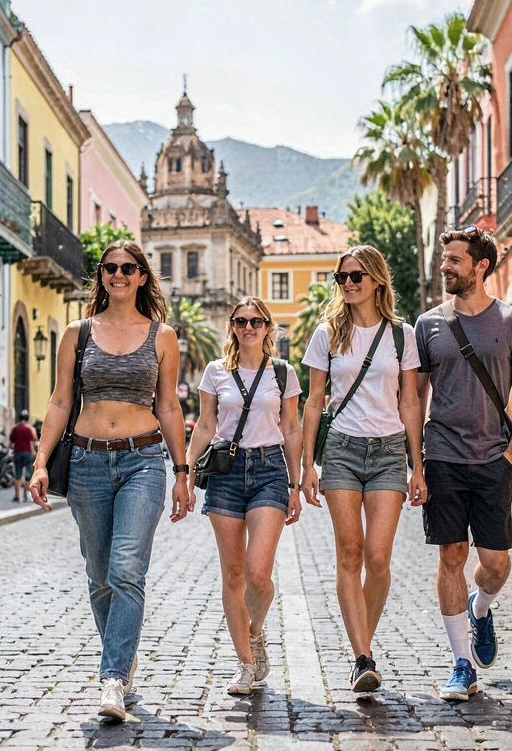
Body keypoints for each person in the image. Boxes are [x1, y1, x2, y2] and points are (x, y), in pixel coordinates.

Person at [28, 240, 189, 722]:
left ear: (142, 276)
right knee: (99, 576)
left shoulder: (163, 336)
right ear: (101, 276)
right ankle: (121, 654)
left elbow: (169, 406)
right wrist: (40, 462)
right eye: (109, 268)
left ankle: (113, 678)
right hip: (87, 462)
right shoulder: (77, 333)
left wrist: (181, 472)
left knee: (125, 569)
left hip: (143, 460)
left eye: (127, 268)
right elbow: (59, 402)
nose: (117, 274)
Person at [415, 228, 512, 702]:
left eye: (454, 260)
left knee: (495, 563)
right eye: (444, 259)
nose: (445, 267)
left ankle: (481, 608)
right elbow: (416, 396)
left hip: (493, 458)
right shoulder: (428, 325)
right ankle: (462, 664)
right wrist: (417, 462)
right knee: (451, 557)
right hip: (443, 454)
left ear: (480, 266)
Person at [300, 245, 425, 694]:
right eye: (342, 277)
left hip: (390, 451)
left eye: (356, 276)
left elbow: (410, 401)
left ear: (376, 280)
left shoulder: (400, 335)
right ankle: (362, 656)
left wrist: (418, 465)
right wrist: (307, 465)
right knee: (350, 555)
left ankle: (362, 643)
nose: (348, 283)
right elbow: (313, 402)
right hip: (341, 452)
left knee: (378, 558)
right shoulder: (327, 334)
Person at [187, 297, 304, 695]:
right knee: (233, 575)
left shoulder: (284, 374)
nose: (248, 327)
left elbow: (291, 427)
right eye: (240, 321)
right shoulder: (215, 372)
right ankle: (244, 663)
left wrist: (295, 482)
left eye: (256, 321)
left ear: (268, 327)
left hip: (271, 470)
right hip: (225, 472)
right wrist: (185, 473)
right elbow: (205, 425)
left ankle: (255, 631)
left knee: (257, 574)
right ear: (232, 326)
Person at [10, 410, 38, 503]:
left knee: (17, 475)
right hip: (27, 453)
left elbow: (11, 442)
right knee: (27, 475)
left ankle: (17, 496)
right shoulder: (30, 428)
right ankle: (25, 496)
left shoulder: (15, 428)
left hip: (17, 453)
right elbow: (34, 440)